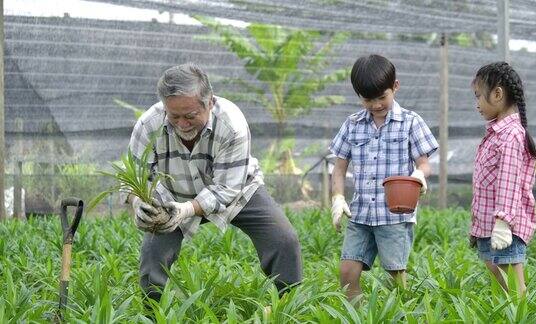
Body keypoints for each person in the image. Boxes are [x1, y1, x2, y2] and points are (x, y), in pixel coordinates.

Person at [128, 63, 302, 303]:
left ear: (210, 102)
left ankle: (290, 306)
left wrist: (187, 210)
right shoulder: (149, 125)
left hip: (239, 190)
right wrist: (138, 203)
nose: (182, 124)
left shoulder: (232, 123)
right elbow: (135, 177)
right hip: (171, 198)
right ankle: (154, 312)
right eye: (174, 116)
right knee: (152, 255)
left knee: (283, 239)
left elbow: (227, 189)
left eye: (190, 116)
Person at [329, 54, 438, 301]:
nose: (376, 104)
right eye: (368, 99)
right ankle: (355, 316)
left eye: (382, 97)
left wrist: (419, 175)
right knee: (347, 271)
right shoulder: (352, 124)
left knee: (395, 273)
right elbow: (339, 167)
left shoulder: (410, 122)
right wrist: (337, 197)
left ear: (395, 87)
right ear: (359, 96)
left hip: (395, 214)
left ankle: (401, 314)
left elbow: (424, 163)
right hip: (361, 214)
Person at [470, 62, 536, 296]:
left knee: (514, 287)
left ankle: (521, 319)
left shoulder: (510, 136)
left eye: (479, 96)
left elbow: (509, 181)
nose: (477, 103)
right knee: (500, 285)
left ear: (497, 94)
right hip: (491, 226)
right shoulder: (496, 134)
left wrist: (503, 222)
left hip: (504, 227)